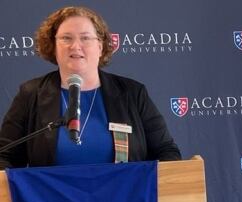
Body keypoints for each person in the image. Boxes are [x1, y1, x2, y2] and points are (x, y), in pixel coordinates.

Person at [0, 6, 181, 170]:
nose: (75, 46)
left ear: (100, 47)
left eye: (85, 38)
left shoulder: (132, 93)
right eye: (66, 38)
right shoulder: (31, 94)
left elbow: (167, 152)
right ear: (53, 46)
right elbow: (4, 156)